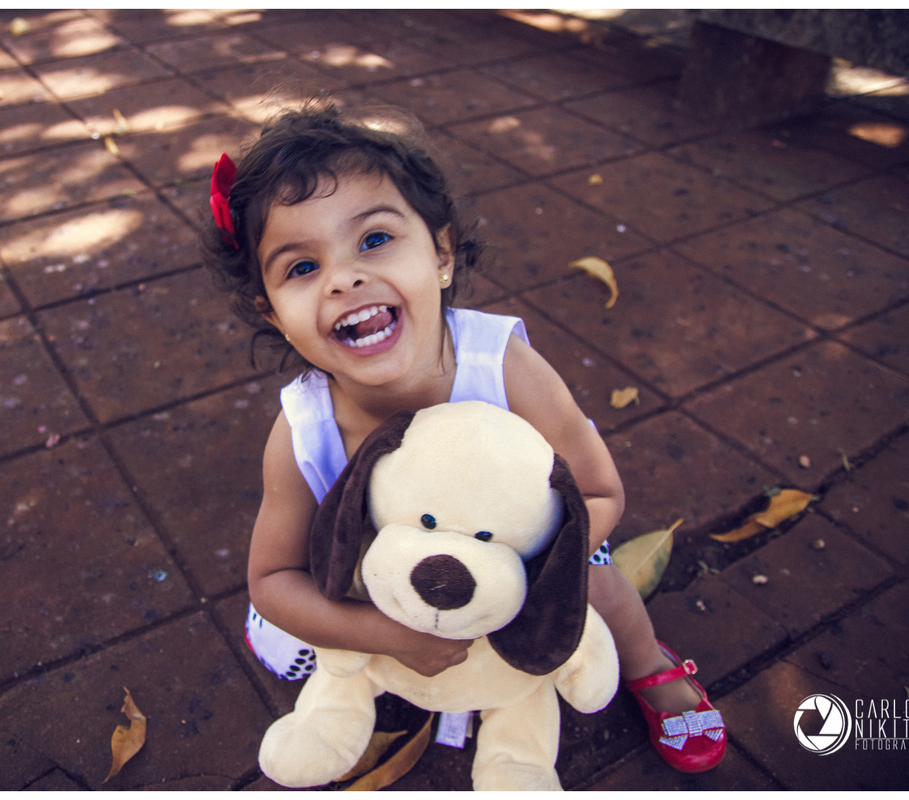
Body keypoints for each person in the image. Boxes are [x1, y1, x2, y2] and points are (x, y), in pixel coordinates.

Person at [201, 101, 725, 773]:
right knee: (322, 631)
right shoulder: (304, 427)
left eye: (373, 239)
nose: (343, 278)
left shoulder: (500, 366)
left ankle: (650, 665)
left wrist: (533, 584)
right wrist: (381, 633)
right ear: (271, 314)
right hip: (384, 583)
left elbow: (599, 490)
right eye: (301, 268)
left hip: (518, 562)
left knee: (603, 588)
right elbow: (273, 579)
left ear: (441, 254)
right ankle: (371, 689)